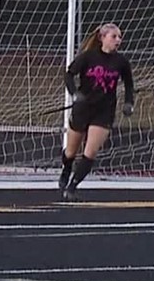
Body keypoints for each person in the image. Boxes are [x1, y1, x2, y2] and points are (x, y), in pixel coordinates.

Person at [58, 22, 135, 202]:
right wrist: (74, 93)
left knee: (90, 152)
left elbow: (129, 84)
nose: (118, 40)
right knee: (70, 152)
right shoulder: (88, 57)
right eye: (114, 36)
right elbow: (69, 74)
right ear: (102, 38)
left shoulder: (121, 62)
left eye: (119, 37)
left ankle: (72, 187)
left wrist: (129, 103)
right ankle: (66, 169)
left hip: (104, 111)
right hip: (83, 108)